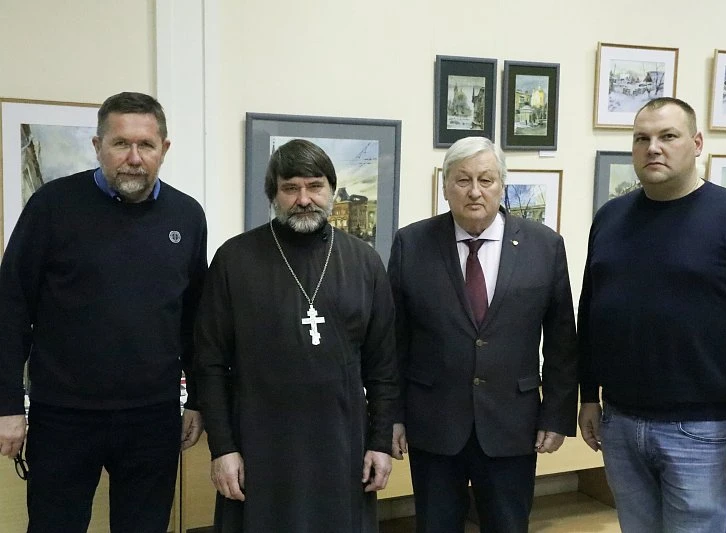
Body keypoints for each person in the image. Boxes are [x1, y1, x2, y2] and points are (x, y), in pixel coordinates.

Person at [577, 97, 726, 533]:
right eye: (642, 139)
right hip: (619, 424)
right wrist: (588, 394)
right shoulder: (610, 218)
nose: (653, 148)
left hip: (701, 433)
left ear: (696, 143)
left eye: (668, 136)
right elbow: (592, 313)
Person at [0, 91, 208, 533]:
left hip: (152, 417)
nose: (134, 158)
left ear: (164, 149)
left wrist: (198, 399)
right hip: (64, 415)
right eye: (120, 143)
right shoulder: (52, 206)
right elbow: (10, 306)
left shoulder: (187, 216)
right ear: (98, 146)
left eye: (146, 145)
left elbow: (194, 318)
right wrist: (7, 404)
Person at [193, 139, 398, 532]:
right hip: (259, 445)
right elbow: (210, 363)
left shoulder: (365, 262)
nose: (304, 199)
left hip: (342, 445)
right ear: (273, 195)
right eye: (290, 188)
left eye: (315, 186)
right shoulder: (234, 259)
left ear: (331, 189)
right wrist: (223, 448)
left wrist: (379, 441)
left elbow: (383, 366)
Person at [388, 136, 578, 533]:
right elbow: (394, 340)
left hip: (513, 423)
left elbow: (562, 341)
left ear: (501, 185)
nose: (475, 191)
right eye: (463, 180)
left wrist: (557, 414)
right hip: (434, 422)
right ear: (445, 187)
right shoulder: (412, 243)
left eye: (486, 180)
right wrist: (391, 416)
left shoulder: (544, 246)